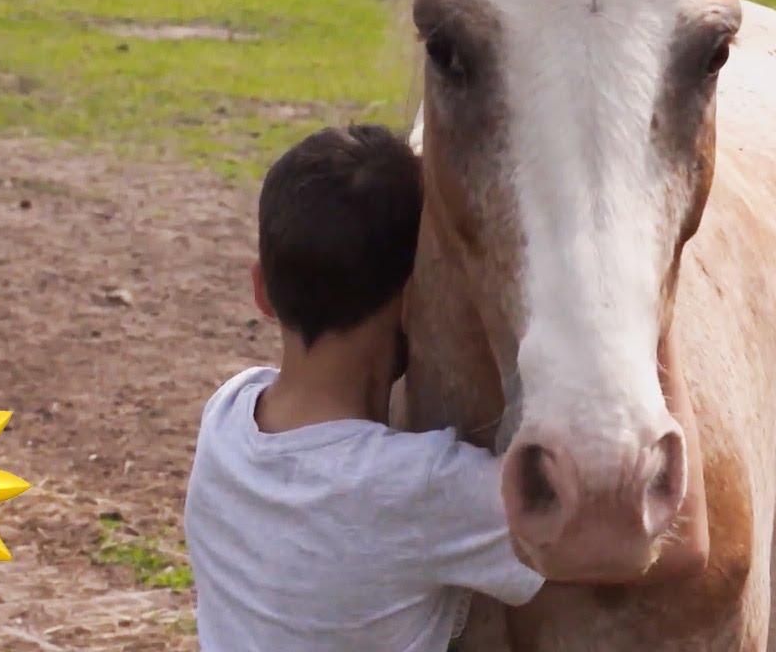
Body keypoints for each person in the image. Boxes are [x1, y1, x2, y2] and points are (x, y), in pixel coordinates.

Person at [183, 125, 709, 652]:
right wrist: (651, 319)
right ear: (419, 301)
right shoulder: (416, 488)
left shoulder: (226, 414)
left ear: (262, 290)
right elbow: (682, 543)